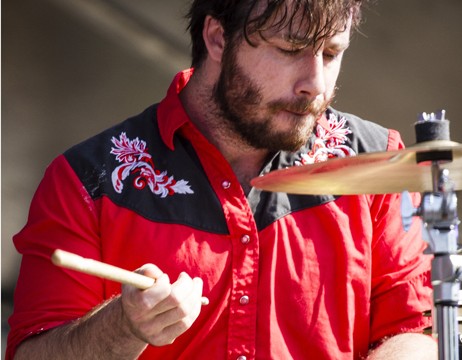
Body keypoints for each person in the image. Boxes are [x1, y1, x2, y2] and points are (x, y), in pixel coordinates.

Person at [7, 0, 437, 359]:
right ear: (217, 38)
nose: (315, 84)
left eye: (331, 53)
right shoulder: (88, 179)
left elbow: (414, 330)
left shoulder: (375, 161)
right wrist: (121, 327)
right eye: (289, 50)